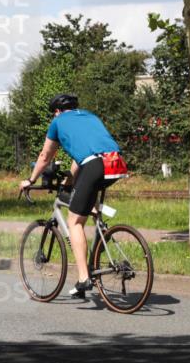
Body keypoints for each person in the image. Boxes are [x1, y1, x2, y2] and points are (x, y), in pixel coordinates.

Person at [19, 94, 128, 299]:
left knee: (74, 221)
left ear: (57, 112)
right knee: (87, 203)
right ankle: (96, 250)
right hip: (116, 162)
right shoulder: (89, 117)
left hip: (94, 165)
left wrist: (30, 180)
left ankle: (84, 278)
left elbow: (45, 157)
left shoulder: (58, 122)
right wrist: (70, 179)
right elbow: (81, 158)